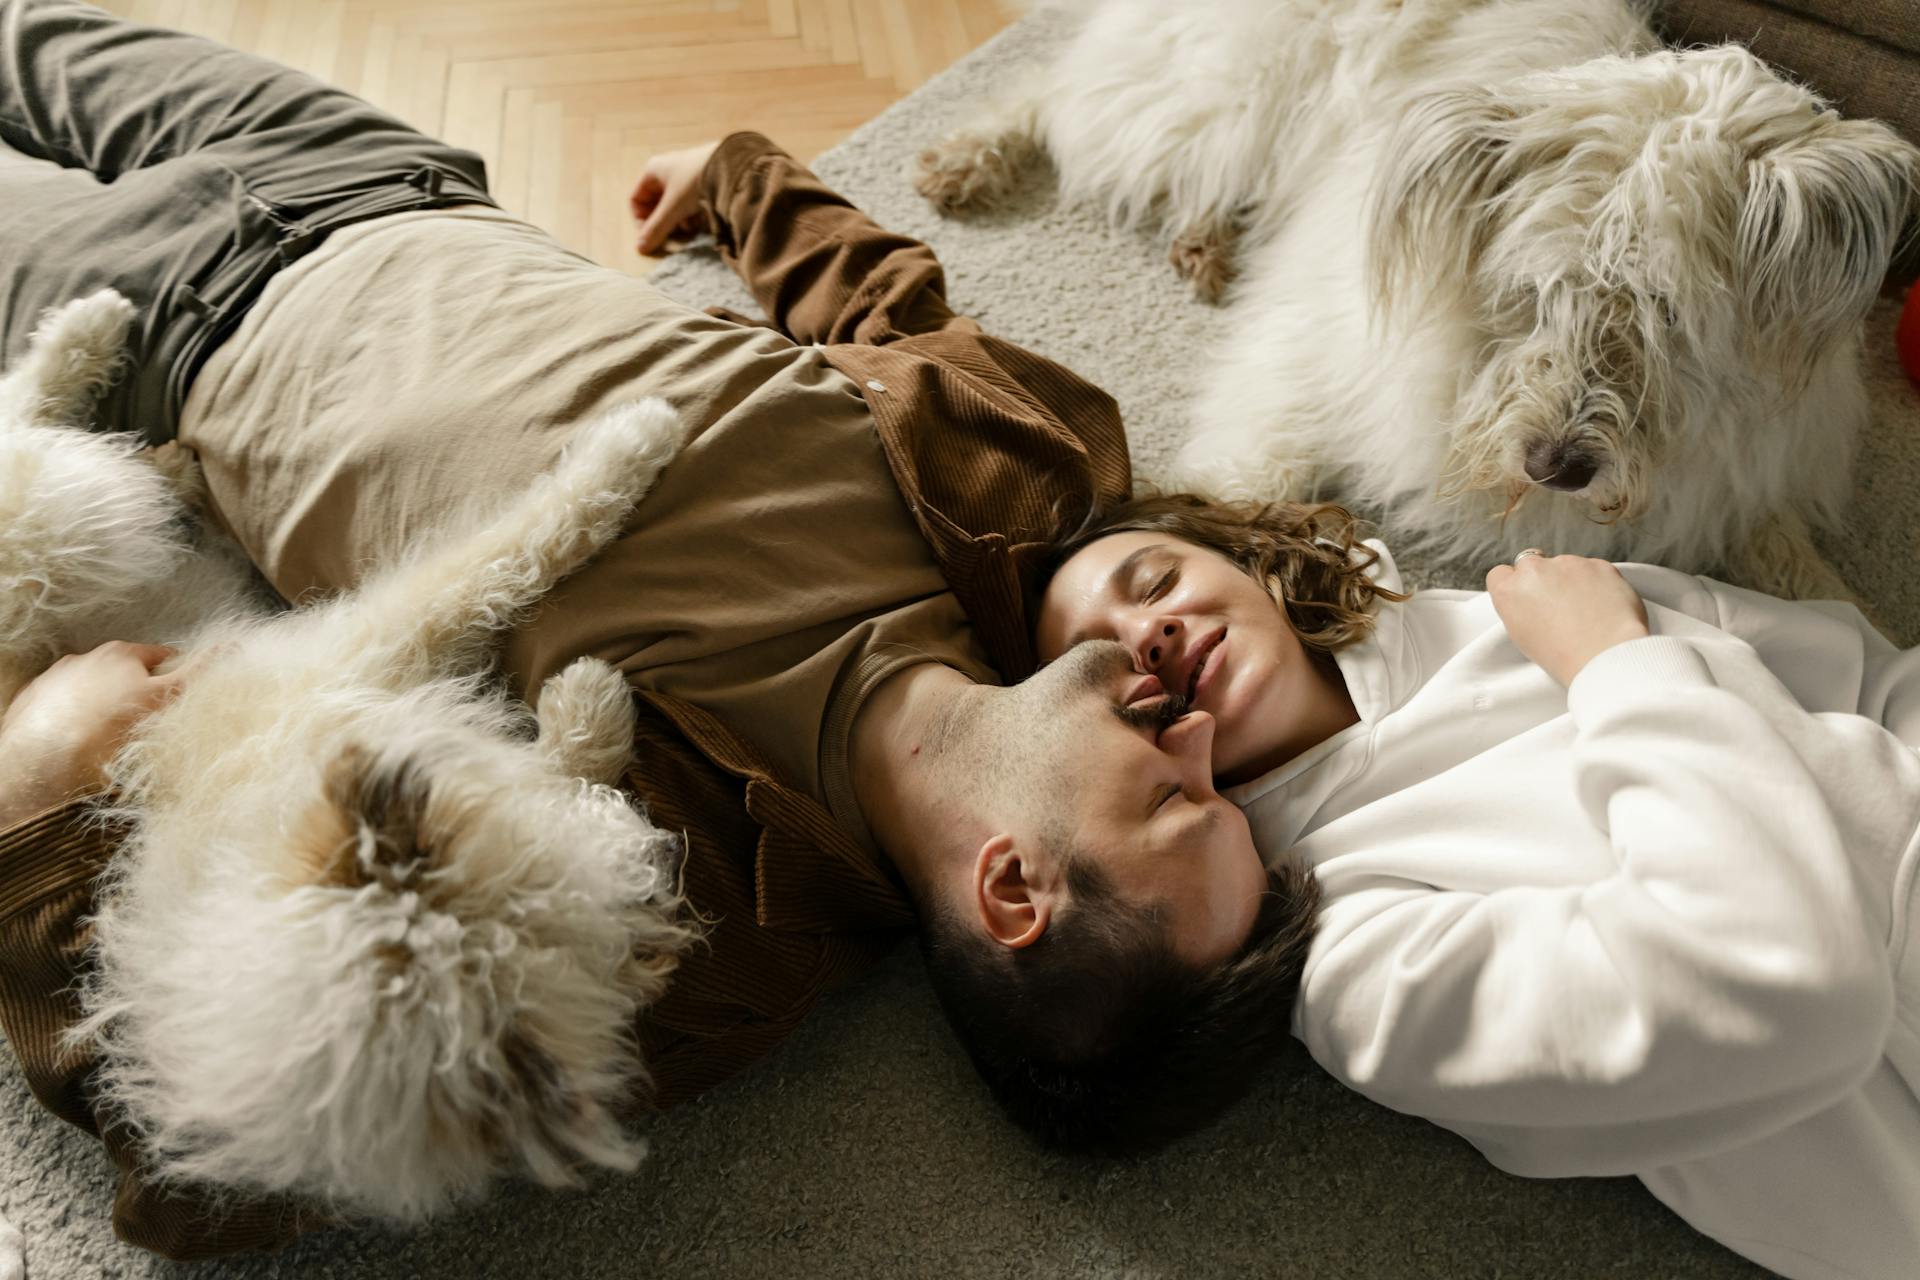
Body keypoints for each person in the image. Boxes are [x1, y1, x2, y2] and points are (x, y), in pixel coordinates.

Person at [0, 0, 1314, 1259]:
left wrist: (43, 792)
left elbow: (199, 1172)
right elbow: (887, 309)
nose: (1196, 736)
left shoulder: (693, 927)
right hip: (385, 180)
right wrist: (745, 182)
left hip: (159, 334)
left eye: (1175, 801)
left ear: (1014, 889)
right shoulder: (1021, 510)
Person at [1033, 491, 1920, 1280]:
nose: (1148, 632)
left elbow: (1868, 680)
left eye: (1155, 583)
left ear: (1245, 561)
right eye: (1108, 662)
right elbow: (1783, 988)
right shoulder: (1349, 955)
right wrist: (1613, 662)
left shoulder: (1524, 604)